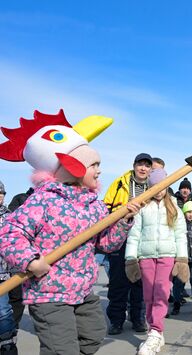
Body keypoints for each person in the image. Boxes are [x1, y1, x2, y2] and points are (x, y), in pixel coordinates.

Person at [0, 110, 140, 354]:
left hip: (83, 289)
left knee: (94, 335)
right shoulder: (43, 199)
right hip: (48, 293)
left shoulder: (95, 204)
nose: (99, 171)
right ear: (72, 166)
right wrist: (30, 261)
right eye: (94, 165)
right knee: (61, 349)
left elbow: (106, 244)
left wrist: (122, 222)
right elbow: (10, 234)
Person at [124, 168, 189, 355]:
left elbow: (180, 236)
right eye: (154, 186)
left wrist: (182, 260)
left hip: (167, 255)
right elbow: (134, 234)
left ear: (167, 186)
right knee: (148, 295)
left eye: (162, 186)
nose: (159, 190)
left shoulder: (174, 207)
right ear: (150, 186)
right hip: (145, 256)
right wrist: (130, 259)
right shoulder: (143, 207)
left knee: (161, 293)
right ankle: (156, 332)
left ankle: (155, 331)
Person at [104, 153, 153, 335]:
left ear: (150, 169)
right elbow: (106, 208)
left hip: (143, 239)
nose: (143, 168)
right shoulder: (119, 183)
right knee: (118, 281)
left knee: (140, 282)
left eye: (147, 166)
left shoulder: (155, 186)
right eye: (140, 164)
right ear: (134, 165)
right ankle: (116, 320)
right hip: (121, 236)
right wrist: (126, 210)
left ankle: (138, 319)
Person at [7, 187, 34, 330]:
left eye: (2, 193)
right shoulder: (21, 199)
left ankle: (13, 326)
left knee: (18, 296)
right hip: (15, 259)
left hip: (21, 262)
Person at [172, 201, 192, 315]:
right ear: (184, 212)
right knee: (179, 282)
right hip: (182, 259)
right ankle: (176, 304)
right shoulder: (179, 226)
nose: (190, 214)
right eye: (188, 212)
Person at [0, 181, 18, 355]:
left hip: (5, 271)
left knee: (4, 310)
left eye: (1, 193)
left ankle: (7, 344)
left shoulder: (10, 215)